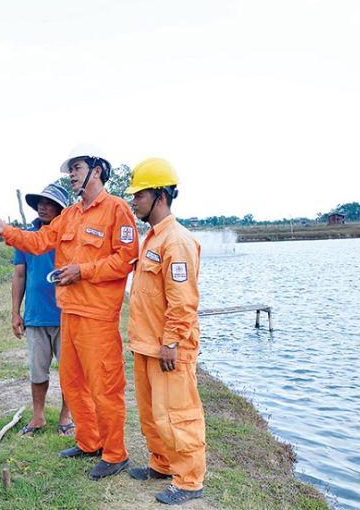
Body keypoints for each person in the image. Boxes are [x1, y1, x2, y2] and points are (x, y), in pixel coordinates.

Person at [0, 145, 138, 480]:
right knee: (73, 382)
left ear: (98, 171)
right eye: (70, 171)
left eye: (77, 168)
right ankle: (89, 441)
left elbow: (126, 258)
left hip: (98, 316)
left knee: (104, 385)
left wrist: (84, 271)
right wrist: (5, 230)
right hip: (69, 312)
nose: (72, 175)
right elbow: (37, 242)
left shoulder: (117, 210)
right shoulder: (70, 216)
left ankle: (115, 452)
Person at [124, 158, 206, 505]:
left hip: (169, 347)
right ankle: (161, 463)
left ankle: (188, 480)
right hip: (147, 344)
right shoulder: (152, 239)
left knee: (177, 414)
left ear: (160, 196)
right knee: (152, 413)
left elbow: (183, 300)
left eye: (139, 195)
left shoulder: (177, 241)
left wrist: (172, 341)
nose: (133, 201)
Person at [12, 183, 74, 437]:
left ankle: (66, 416)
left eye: (49, 203)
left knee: (69, 372)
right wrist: (16, 312)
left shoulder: (70, 236)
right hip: (36, 316)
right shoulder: (26, 237)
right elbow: (19, 274)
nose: (42, 206)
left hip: (66, 315)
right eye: (39, 202)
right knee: (38, 370)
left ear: (61, 209)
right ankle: (38, 416)